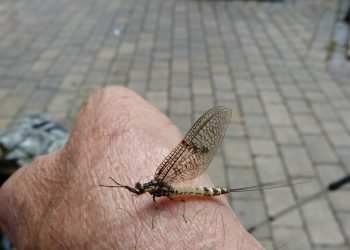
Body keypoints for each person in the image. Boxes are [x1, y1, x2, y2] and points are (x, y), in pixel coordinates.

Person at [0, 86, 263, 249]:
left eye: (139, 188)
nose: (139, 189)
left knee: (190, 196)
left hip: (204, 192)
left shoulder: (159, 185)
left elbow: (175, 202)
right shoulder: (156, 188)